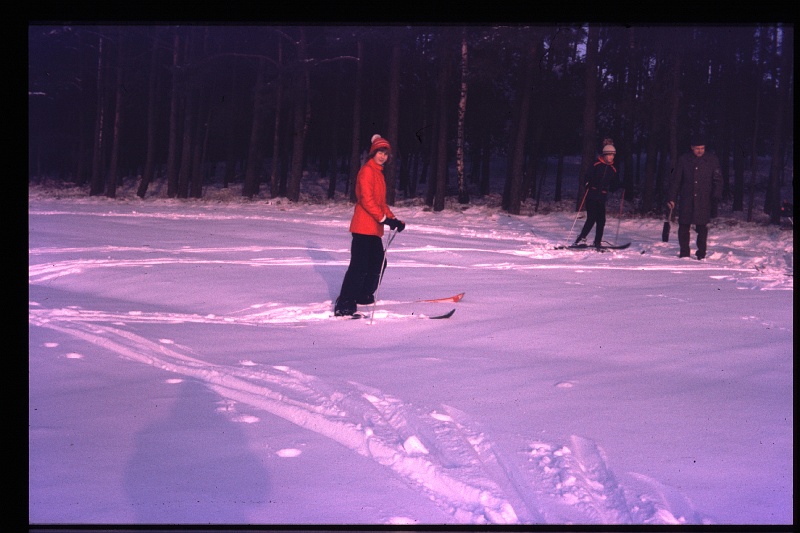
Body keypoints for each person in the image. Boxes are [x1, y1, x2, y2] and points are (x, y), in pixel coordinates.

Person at [334, 134, 405, 316]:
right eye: (380, 152)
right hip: (362, 227)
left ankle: (363, 295)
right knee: (359, 265)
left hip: (373, 228)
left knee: (378, 263)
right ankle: (344, 303)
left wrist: (393, 219)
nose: (382, 156)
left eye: (386, 154)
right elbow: (366, 200)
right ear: (373, 153)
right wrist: (384, 219)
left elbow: (380, 203)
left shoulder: (378, 173)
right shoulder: (367, 171)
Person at [667, 134, 722, 260]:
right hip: (687, 198)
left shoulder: (712, 160)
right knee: (684, 226)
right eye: (697, 148)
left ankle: (701, 254)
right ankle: (684, 253)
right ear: (692, 148)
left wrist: (716, 196)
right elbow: (676, 181)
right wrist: (672, 198)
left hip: (704, 199)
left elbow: (718, 180)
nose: (700, 151)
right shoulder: (683, 160)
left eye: (702, 148)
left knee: (702, 228)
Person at [574, 138, 621, 248]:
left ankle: (597, 242)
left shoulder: (612, 169)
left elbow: (614, 185)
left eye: (613, 155)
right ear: (605, 155)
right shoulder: (596, 164)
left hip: (602, 196)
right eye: (609, 155)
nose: (611, 157)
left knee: (601, 220)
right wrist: (587, 183)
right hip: (592, 195)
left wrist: (621, 185)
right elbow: (586, 177)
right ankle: (581, 238)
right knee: (592, 218)